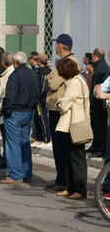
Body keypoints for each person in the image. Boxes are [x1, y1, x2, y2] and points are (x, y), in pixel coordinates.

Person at [45, 34, 80, 193]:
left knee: (61, 147)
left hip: (59, 110)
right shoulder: (64, 62)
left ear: (60, 45)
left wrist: (49, 78)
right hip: (56, 109)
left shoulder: (68, 63)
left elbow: (52, 83)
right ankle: (60, 178)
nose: (55, 47)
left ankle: (63, 181)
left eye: (56, 45)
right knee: (58, 147)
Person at [0, 51, 39, 184]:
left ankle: (15, 174)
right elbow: (36, 94)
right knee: (24, 143)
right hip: (28, 112)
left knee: (13, 143)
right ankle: (26, 172)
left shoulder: (14, 76)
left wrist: (6, 110)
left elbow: (10, 97)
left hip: (15, 112)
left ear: (15, 63)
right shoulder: (33, 74)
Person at [55, 58, 89, 199]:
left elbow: (64, 104)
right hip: (72, 124)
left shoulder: (75, 83)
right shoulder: (76, 81)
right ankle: (71, 187)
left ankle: (80, 190)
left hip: (76, 125)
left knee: (77, 158)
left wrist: (60, 103)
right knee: (69, 157)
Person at [88, 48, 110, 158]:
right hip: (99, 101)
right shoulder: (101, 67)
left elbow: (100, 87)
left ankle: (101, 149)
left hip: (99, 104)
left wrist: (96, 98)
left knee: (100, 127)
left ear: (95, 56)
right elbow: (100, 86)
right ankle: (98, 146)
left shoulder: (101, 68)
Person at [32, 53, 52, 147]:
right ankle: (39, 138)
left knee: (43, 119)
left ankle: (46, 139)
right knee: (36, 118)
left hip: (42, 100)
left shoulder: (46, 72)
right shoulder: (39, 71)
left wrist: (38, 97)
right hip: (38, 99)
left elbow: (43, 87)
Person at [0, 52, 15, 123]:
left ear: (3, 62)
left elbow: (4, 93)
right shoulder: (14, 71)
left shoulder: (8, 74)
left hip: (8, 108)